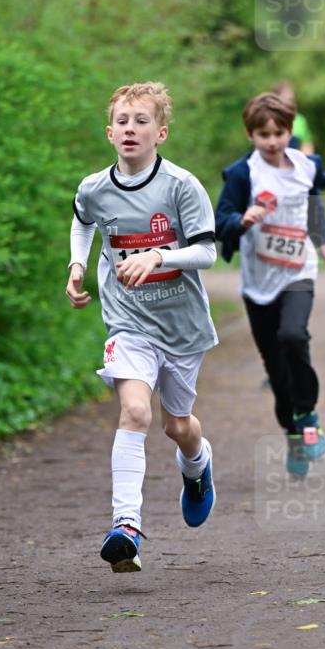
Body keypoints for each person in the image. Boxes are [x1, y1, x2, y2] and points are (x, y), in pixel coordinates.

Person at [66, 82, 218, 572]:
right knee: (134, 411)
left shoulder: (180, 186)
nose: (131, 129)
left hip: (183, 325)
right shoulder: (94, 187)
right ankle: (125, 526)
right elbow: (82, 220)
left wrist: (157, 254)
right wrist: (76, 265)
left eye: (142, 121)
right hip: (128, 322)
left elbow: (207, 252)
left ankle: (198, 469)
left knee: (178, 426)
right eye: (123, 121)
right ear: (109, 132)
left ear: (162, 132)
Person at [215, 92, 325, 477]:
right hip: (258, 282)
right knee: (275, 364)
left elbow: (312, 205)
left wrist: (323, 242)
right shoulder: (243, 174)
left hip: (298, 270)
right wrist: (242, 220)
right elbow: (222, 221)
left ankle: (308, 415)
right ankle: (292, 433)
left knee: (293, 336)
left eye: (279, 132)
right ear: (250, 135)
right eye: (263, 133)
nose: (272, 141)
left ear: (290, 131)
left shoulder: (305, 166)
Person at [271, 81, 315, 154]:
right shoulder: (268, 119)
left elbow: (307, 146)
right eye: (286, 99)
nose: (289, 103)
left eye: (291, 100)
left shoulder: (299, 120)